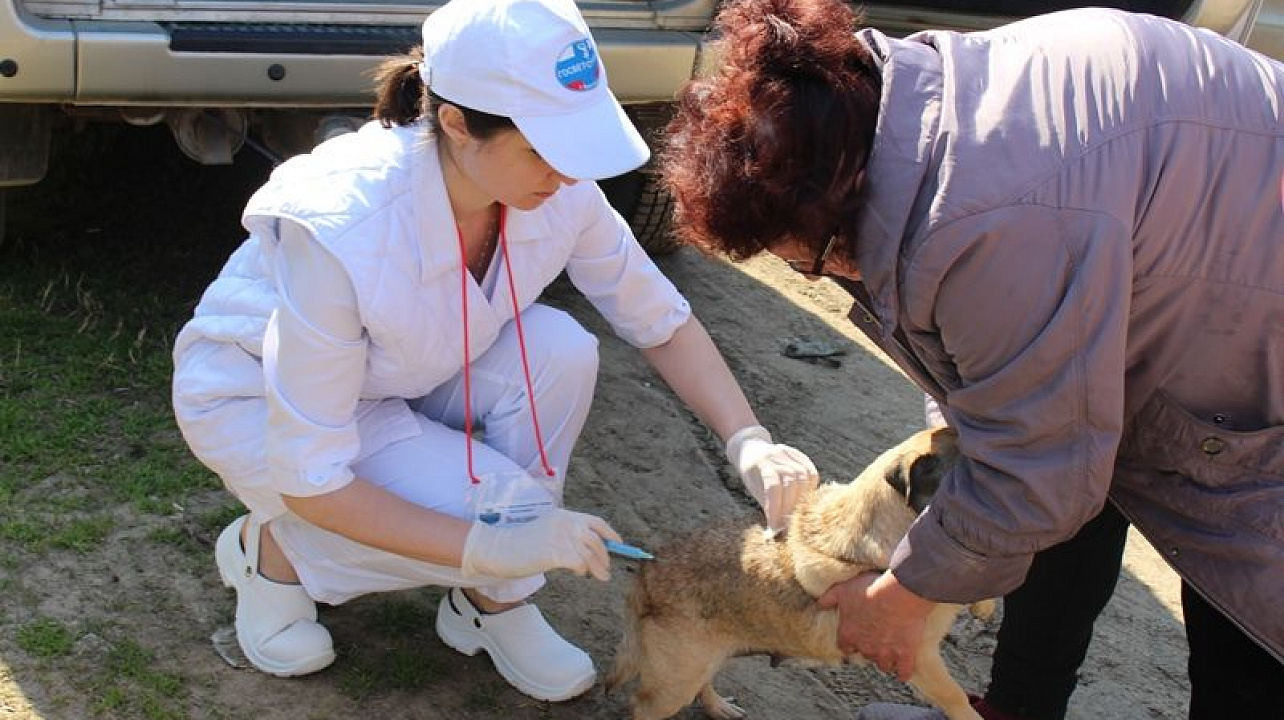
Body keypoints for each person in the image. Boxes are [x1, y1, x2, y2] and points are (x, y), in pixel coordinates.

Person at [170, 0, 818, 701]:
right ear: (455, 123)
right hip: (255, 397)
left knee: (561, 350)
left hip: (404, 368)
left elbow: (657, 318)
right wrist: (494, 546)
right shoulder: (343, 228)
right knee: (497, 511)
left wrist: (749, 439)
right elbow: (313, 478)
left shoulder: (553, 188)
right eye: (543, 147)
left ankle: (488, 600)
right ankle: (274, 557)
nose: (567, 172)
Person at [659, 0, 1284, 718]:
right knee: (1062, 495)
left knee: (1247, 621)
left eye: (805, 262)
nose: (816, 276)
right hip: (1198, 274)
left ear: (829, 200)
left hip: (1258, 361)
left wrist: (905, 596)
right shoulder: (903, 107)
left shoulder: (987, 224)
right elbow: (1006, 406)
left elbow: (1042, 466)